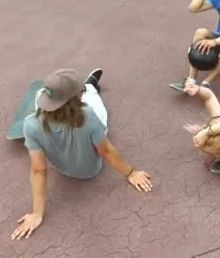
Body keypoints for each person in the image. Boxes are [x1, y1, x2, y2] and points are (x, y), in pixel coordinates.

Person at [11, 68, 153, 240]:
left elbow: (38, 170)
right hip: (90, 170)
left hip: (63, 168)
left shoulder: (30, 124)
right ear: (76, 98)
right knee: (95, 104)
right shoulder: (87, 114)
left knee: (40, 103)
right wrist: (131, 172)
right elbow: (105, 150)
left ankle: (63, 95)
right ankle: (90, 86)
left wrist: (36, 213)